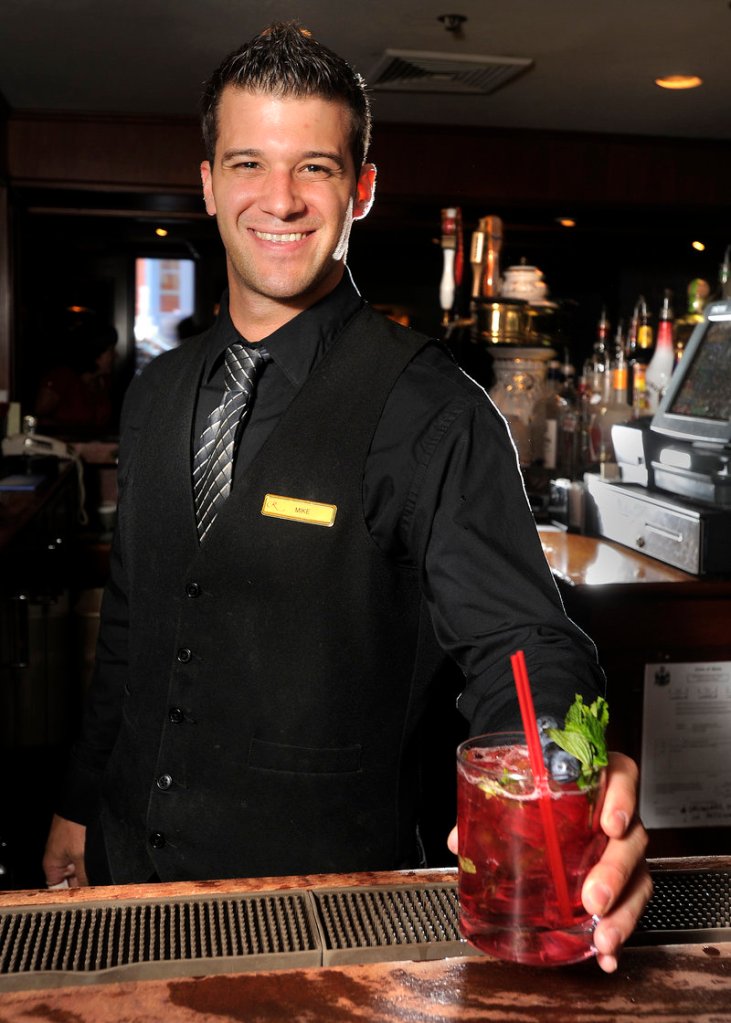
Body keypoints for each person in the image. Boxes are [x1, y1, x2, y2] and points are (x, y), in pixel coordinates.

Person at [44, 22, 651, 972]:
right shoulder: (158, 390)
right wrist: (79, 805)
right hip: (130, 881)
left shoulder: (433, 412)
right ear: (207, 182)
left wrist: (561, 781)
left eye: (314, 168)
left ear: (360, 189)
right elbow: (132, 624)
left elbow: (522, 643)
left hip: (322, 920)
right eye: (248, 161)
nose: (279, 200)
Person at [34, 318, 117, 437]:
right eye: (110, 350)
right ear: (96, 352)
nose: (115, 355)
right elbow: (37, 417)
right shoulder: (61, 378)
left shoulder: (104, 382)